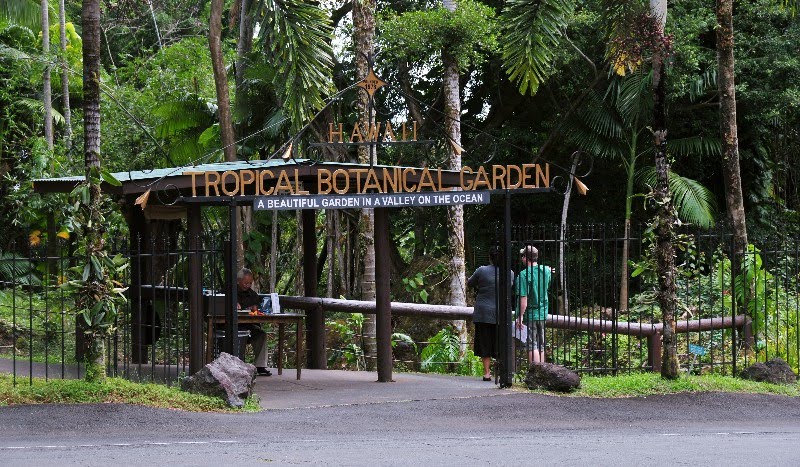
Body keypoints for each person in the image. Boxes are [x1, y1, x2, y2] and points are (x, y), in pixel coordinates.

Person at [467, 245, 513, 381]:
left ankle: (487, 373)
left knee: (485, 343)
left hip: (483, 312)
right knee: (500, 342)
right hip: (501, 313)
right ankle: (501, 371)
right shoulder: (509, 273)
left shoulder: (481, 270)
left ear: (490, 257)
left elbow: (470, 283)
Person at [515, 245, 552, 364]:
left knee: (531, 345)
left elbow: (523, 299)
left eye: (522, 256)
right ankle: (543, 372)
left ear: (526, 257)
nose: (521, 258)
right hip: (543, 313)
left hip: (530, 314)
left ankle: (535, 373)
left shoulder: (524, 275)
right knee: (541, 344)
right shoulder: (546, 270)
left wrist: (520, 316)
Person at [236, 268, 271, 376]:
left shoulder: (253, 295)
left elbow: (256, 310)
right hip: (232, 327)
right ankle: (235, 365)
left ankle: (260, 366)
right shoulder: (228, 292)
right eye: (245, 283)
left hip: (249, 326)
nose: (248, 285)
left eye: (250, 283)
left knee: (261, 335)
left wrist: (255, 309)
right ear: (238, 280)